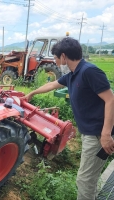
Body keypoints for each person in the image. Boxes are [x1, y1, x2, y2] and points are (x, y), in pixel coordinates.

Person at [23, 37, 114, 200]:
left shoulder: (89, 71)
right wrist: (31, 93)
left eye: (57, 59)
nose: (56, 63)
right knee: (89, 178)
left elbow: (110, 99)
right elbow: (52, 85)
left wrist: (106, 134)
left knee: (85, 180)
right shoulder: (72, 74)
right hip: (90, 133)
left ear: (64, 57)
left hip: (98, 134)